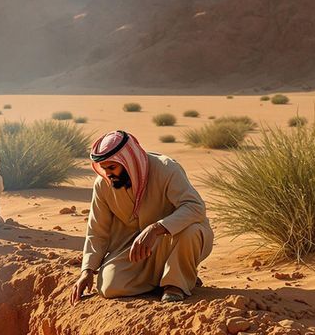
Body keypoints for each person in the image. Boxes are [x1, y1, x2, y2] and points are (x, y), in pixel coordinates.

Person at [71, 130, 213, 304]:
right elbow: (97, 231)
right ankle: (172, 277)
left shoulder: (167, 169)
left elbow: (195, 207)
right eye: (104, 168)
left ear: (128, 161)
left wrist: (156, 228)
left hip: (173, 239)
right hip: (134, 248)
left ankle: (175, 284)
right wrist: (87, 270)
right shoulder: (103, 185)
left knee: (191, 230)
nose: (107, 173)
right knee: (109, 287)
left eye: (112, 167)